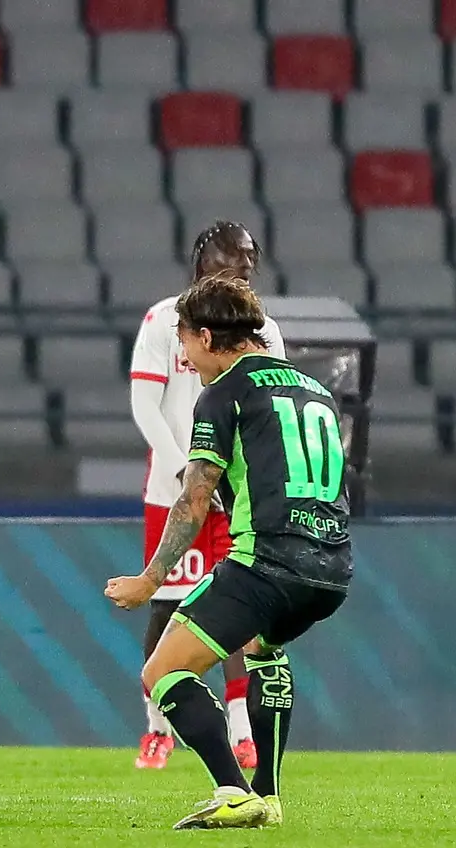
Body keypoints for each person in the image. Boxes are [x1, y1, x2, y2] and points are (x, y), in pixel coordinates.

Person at [106, 276, 351, 830]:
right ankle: (268, 793)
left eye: (186, 343)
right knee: (264, 649)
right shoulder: (315, 390)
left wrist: (151, 578)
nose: (186, 359)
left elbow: (194, 501)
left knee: (162, 672)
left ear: (208, 335)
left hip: (267, 561)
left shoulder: (223, 394)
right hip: (333, 565)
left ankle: (233, 792)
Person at [128, 220, 286, 771]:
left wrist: (236, 481)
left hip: (236, 495)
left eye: (244, 271)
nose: (235, 278)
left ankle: (242, 729)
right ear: (200, 265)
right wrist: (183, 472)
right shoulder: (163, 322)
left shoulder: (264, 329)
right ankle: (156, 727)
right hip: (178, 488)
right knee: (168, 601)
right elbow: (146, 405)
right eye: (225, 268)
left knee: (239, 607)